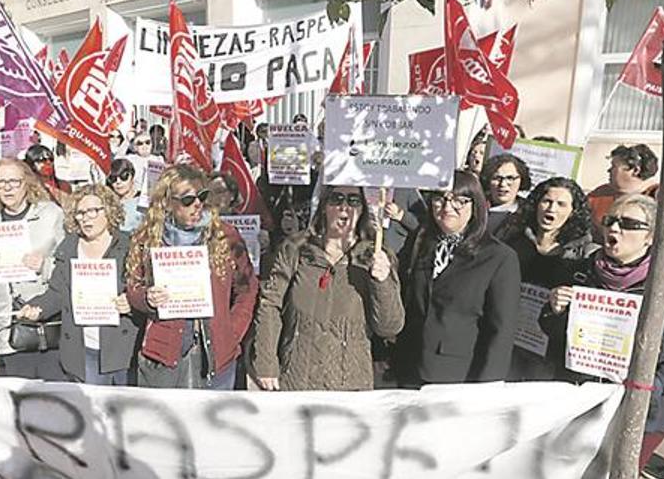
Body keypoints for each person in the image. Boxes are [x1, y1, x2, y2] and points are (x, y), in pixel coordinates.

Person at [539, 194, 664, 472]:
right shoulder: (581, 272)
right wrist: (554, 311)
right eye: (610, 221)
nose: (614, 229)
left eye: (627, 224)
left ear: (650, 236)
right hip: (584, 401)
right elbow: (555, 337)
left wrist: (649, 387)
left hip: (643, 411)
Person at [249, 185, 405, 391]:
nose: (344, 207)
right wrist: (266, 363)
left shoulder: (374, 255)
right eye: (336, 199)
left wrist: (382, 282)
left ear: (363, 209)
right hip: (298, 378)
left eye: (353, 201)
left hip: (350, 384)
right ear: (323, 206)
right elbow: (270, 304)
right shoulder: (296, 249)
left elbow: (389, 327)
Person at [125, 164, 259, 389]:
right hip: (165, 354)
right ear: (167, 202)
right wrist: (146, 298)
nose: (197, 205)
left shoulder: (225, 235)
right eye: (187, 200)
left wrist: (231, 331)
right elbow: (133, 286)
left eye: (202, 196)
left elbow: (247, 288)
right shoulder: (148, 237)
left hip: (216, 355)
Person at [395, 170, 521, 386]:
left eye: (459, 201)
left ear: (475, 205)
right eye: (440, 199)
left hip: (458, 375)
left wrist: (487, 386)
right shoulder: (421, 241)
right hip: (409, 368)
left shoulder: (499, 257)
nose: (447, 207)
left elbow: (501, 331)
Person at [18, 185, 139, 384]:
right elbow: (57, 293)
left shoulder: (129, 246)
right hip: (84, 348)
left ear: (108, 210)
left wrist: (131, 301)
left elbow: (142, 290)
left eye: (93, 210)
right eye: (80, 213)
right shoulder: (69, 247)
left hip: (122, 349)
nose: (86, 217)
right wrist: (37, 308)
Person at [0, 157, 66, 380]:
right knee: (20, 402)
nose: (7, 188)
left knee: (51, 399)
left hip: (44, 321)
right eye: (1, 182)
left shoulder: (51, 214)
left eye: (14, 181)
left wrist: (44, 265)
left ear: (27, 182)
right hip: (6, 323)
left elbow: (67, 268)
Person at [496, 177, 598, 380]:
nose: (551, 209)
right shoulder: (512, 242)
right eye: (547, 201)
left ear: (573, 211)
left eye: (561, 204)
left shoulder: (587, 255)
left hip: (551, 355)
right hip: (509, 341)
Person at [587, 144, 659, 243]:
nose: (609, 170)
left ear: (635, 170)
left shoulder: (661, 198)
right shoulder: (598, 195)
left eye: (614, 166)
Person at [479, 153, 532, 234]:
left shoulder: (529, 213)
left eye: (510, 178)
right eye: (497, 178)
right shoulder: (476, 207)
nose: (503, 184)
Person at [106, 158, 143, 232]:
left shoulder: (143, 201)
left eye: (124, 176)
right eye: (113, 179)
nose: (118, 182)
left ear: (132, 177)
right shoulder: (109, 204)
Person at [126, 132, 164, 200]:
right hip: (135, 197)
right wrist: (127, 141)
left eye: (147, 142)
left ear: (151, 144)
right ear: (135, 147)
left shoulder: (159, 159)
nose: (144, 145)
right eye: (140, 143)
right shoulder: (129, 159)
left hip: (154, 197)